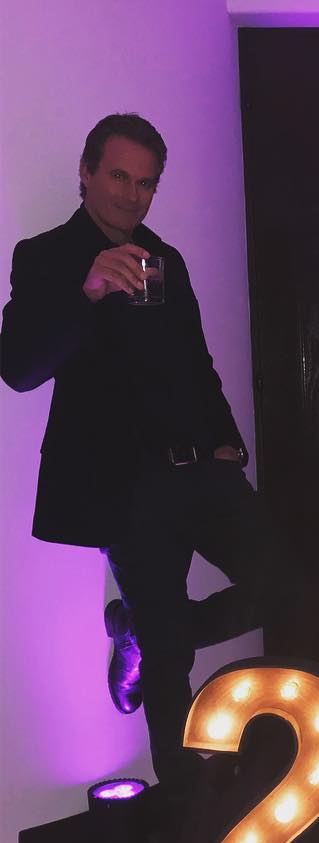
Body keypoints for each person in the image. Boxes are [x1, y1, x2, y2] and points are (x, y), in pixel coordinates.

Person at [1, 113, 277, 807]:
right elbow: (20, 368)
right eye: (120, 177)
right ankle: (188, 807)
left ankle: (138, 630)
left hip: (203, 471)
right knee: (171, 660)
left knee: (289, 584)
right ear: (87, 172)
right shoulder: (46, 256)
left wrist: (229, 445)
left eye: (146, 183)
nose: (132, 195)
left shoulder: (165, 259)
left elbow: (197, 363)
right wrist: (87, 292)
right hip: (123, 488)